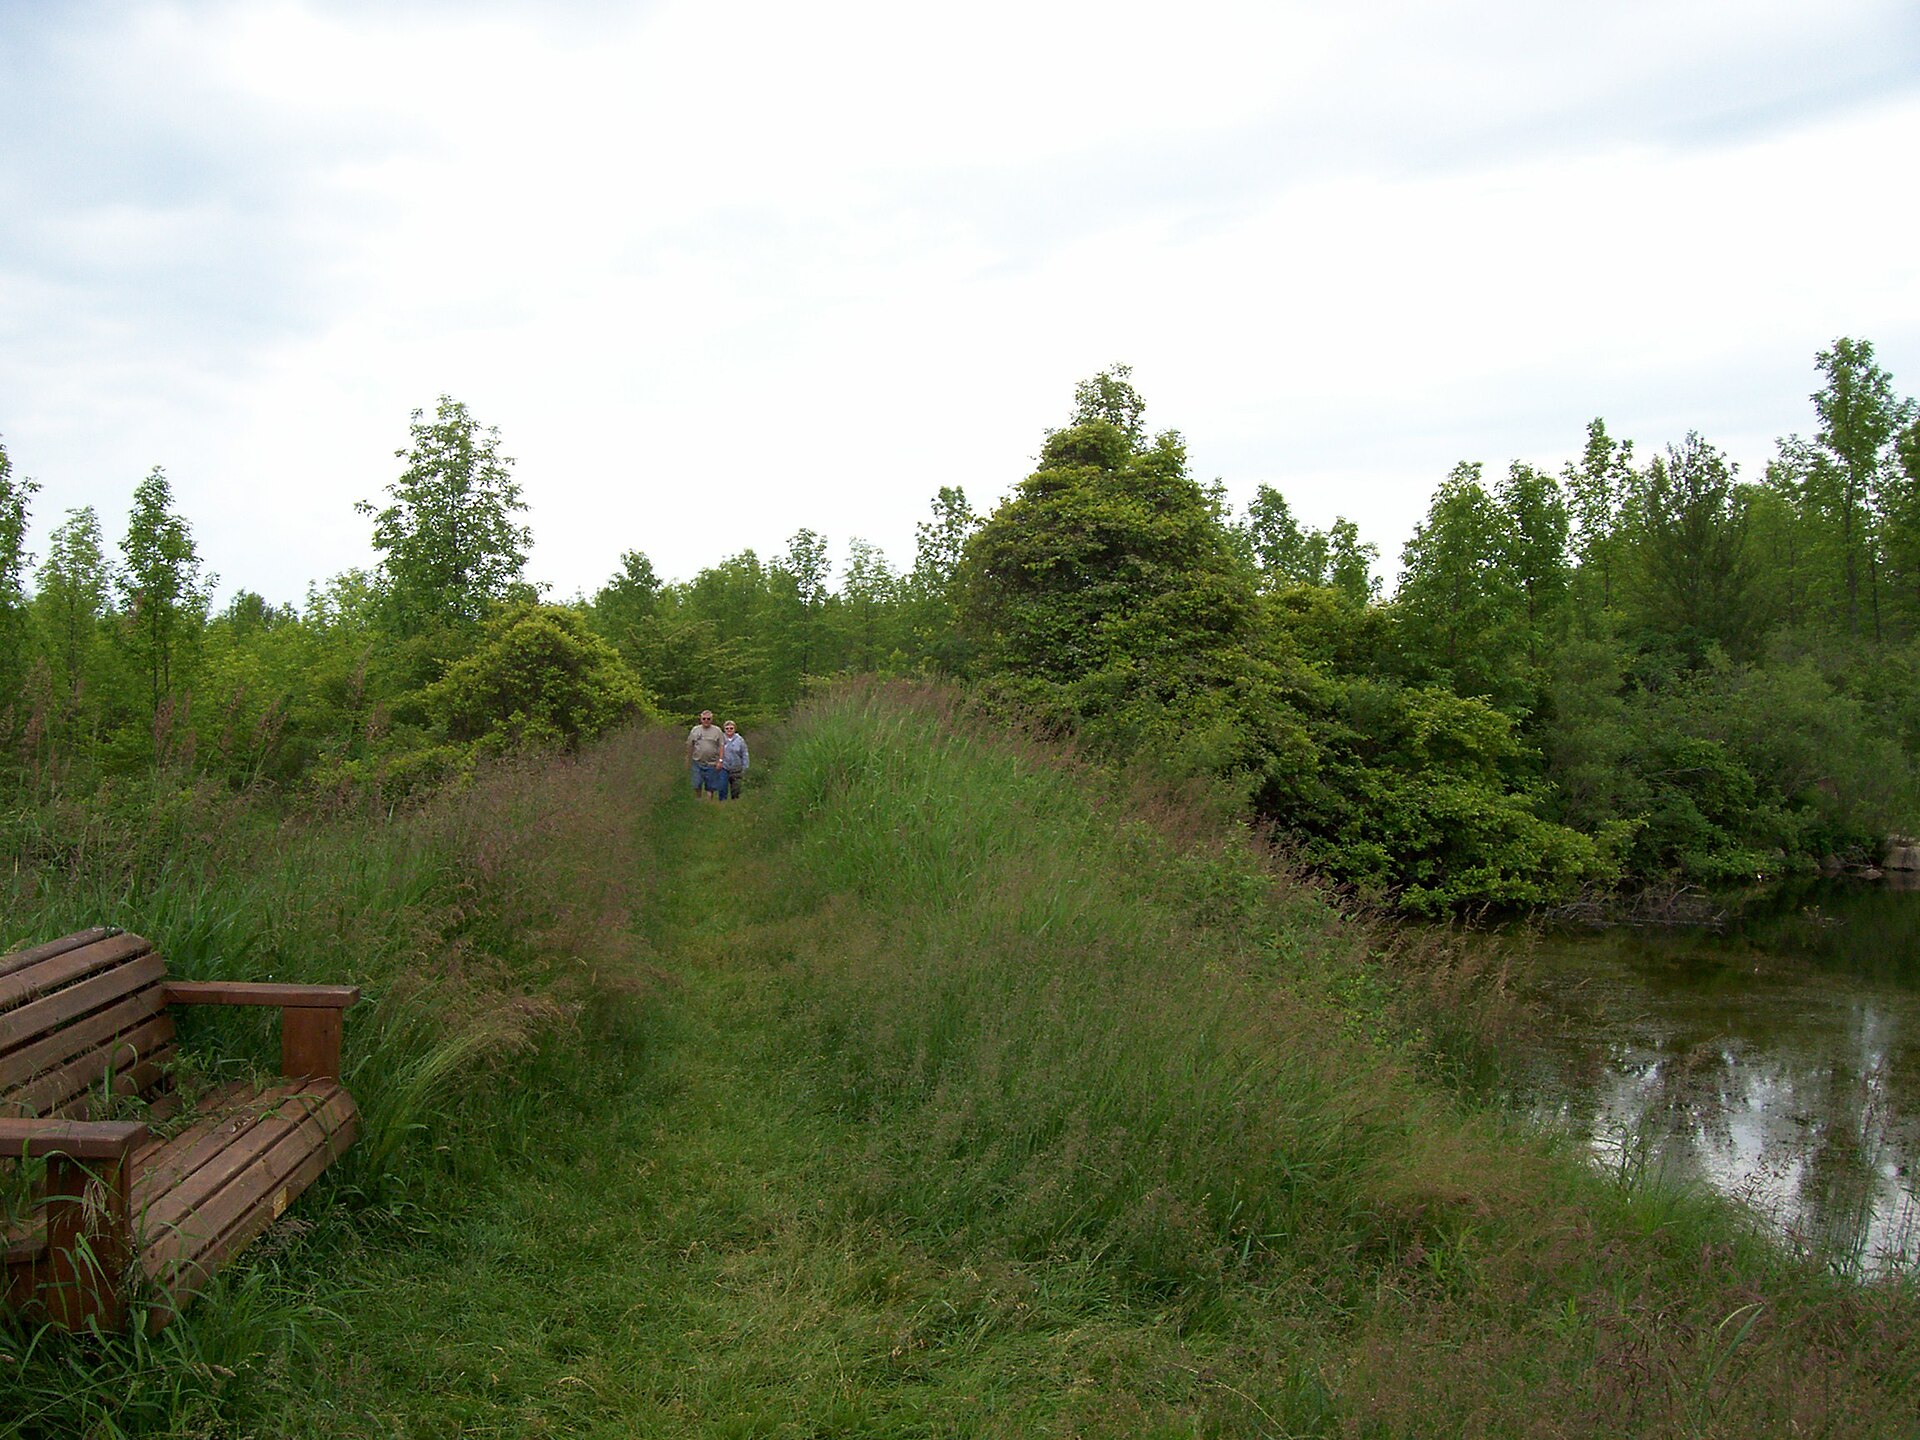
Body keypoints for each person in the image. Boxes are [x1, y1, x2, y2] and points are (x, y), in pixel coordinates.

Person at [687, 709, 726, 801]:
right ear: (700, 719)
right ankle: (698, 800)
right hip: (697, 761)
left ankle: (709, 803)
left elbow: (721, 746)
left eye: (708, 719)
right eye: (704, 719)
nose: (706, 721)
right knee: (696, 783)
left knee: (710, 786)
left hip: (712, 763)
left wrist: (720, 760)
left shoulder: (717, 731)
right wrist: (687, 759)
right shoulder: (695, 730)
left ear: (711, 719)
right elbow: (689, 745)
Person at [720, 720, 749, 800]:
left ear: (735, 729)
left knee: (736, 789)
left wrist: (745, 766)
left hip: (736, 767)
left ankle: (734, 804)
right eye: (727, 728)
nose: (729, 730)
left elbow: (744, 754)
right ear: (724, 729)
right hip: (724, 767)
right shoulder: (720, 739)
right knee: (722, 786)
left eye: (731, 728)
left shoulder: (740, 740)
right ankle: (722, 803)